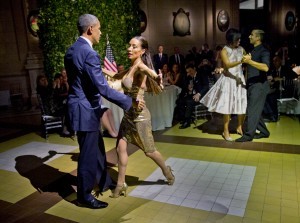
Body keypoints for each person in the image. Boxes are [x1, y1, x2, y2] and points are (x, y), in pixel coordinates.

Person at [64, 14, 143, 209]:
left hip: (79, 107)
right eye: (99, 28)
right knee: (88, 155)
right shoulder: (89, 53)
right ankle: (84, 196)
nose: (100, 32)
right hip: (86, 110)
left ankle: (105, 181)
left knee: (97, 149)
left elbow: (81, 83)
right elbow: (102, 88)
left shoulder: (71, 50)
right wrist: (129, 102)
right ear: (90, 29)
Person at [103, 36, 175, 198]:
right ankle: (121, 185)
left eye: (134, 47)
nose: (130, 49)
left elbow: (151, 74)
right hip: (128, 115)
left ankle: (167, 171)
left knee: (149, 151)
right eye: (129, 46)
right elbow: (116, 75)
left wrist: (158, 78)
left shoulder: (141, 67)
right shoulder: (131, 67)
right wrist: (99, 69)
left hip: (140, 118)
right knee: (120, 148)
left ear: (142, 51)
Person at [200, 28, 247, 141]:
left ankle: (239, 127)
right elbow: (228, 64)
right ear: (231, 39)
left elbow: (247, 61)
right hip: (229, 80)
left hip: (239, 79)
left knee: (242, 104)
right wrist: (241, 61)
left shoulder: (241, 49)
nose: (239, 40)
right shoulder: (224, 50)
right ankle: (225, 130)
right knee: (228, 106)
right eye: (237, 38)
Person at [236, 29, 271, 142]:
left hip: (259, 86)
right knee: (254, 110)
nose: (249, 36)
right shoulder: (253, 50)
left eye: (252, 35)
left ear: (258, 38)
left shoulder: (264, 51)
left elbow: (265, 67)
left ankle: (248, 135)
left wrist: (249, 62)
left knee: (251, 110)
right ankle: (264, 132)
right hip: (251, 85)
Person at [176, 63, 209, 129]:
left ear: (194, 69)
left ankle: (187, 121)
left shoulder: (201, 74)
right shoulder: (189, 77)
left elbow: (206, 86)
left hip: (202, 95)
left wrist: (199, 94)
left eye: (190, 71)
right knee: (179, 101)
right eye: (188, 72)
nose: (189, 73)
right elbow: (185, 87)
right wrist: (189, 88)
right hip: (192, 95)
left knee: (189, 102)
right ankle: (185, 118)